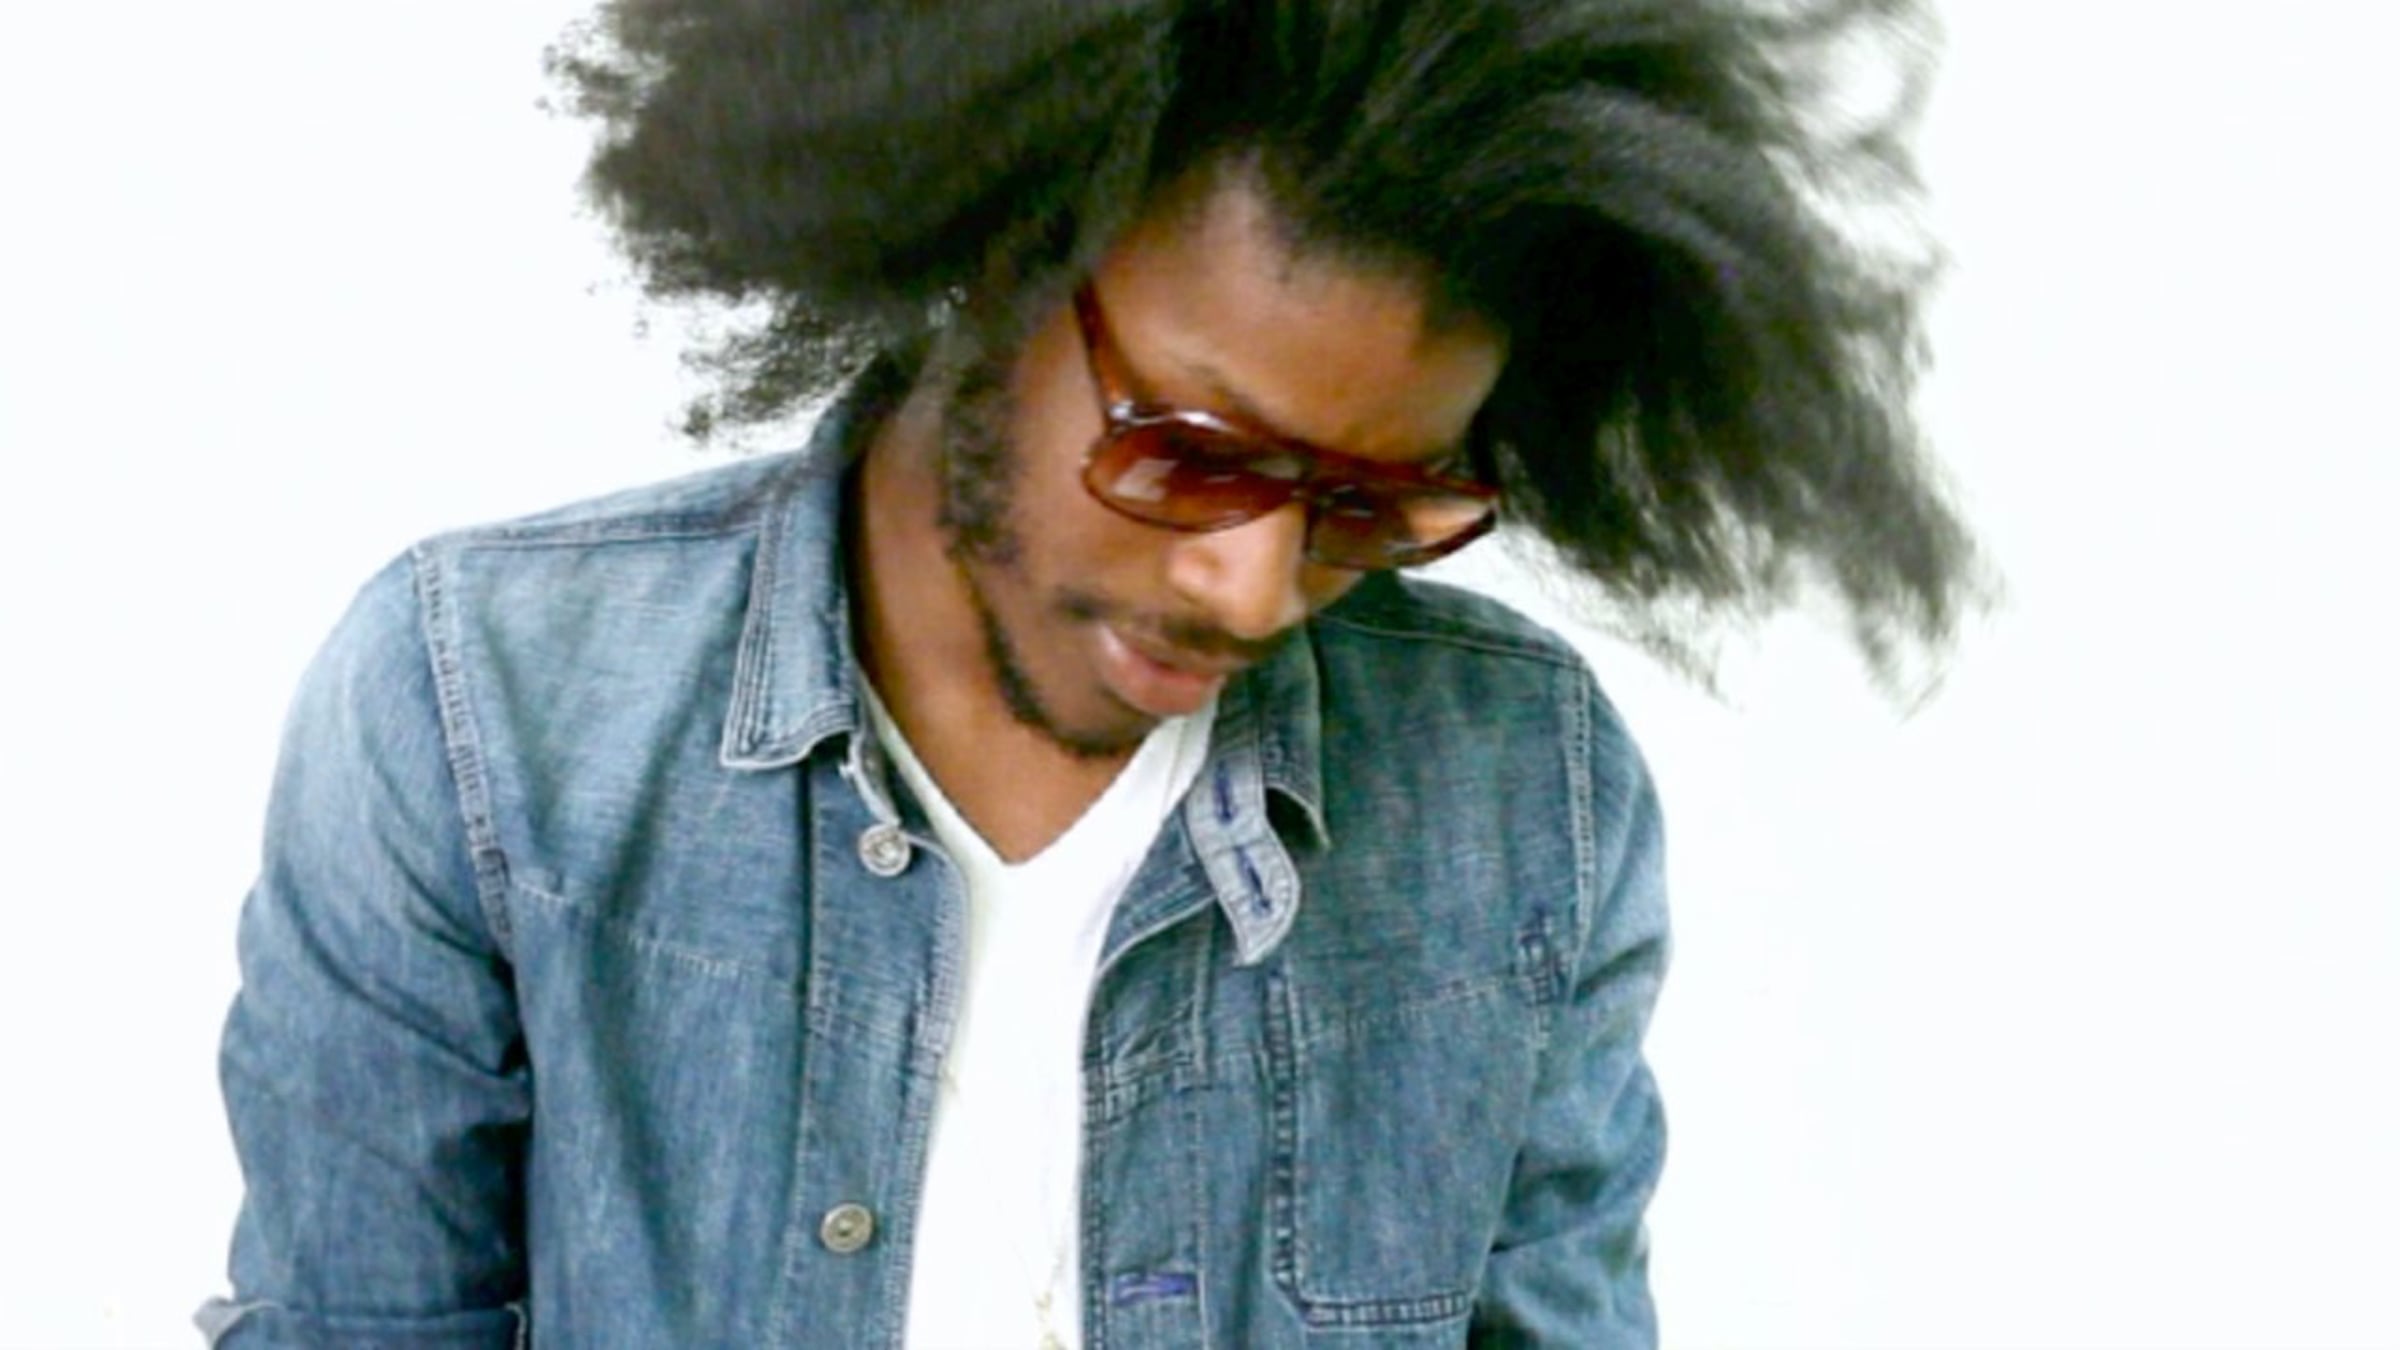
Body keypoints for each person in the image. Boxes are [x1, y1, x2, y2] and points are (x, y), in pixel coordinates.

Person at [201, 0, 1976, 1345]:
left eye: (1372, 505)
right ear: (990, 249)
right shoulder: (482, 714)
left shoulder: (1523, 784)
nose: (1255, 584)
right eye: (1193, 453)